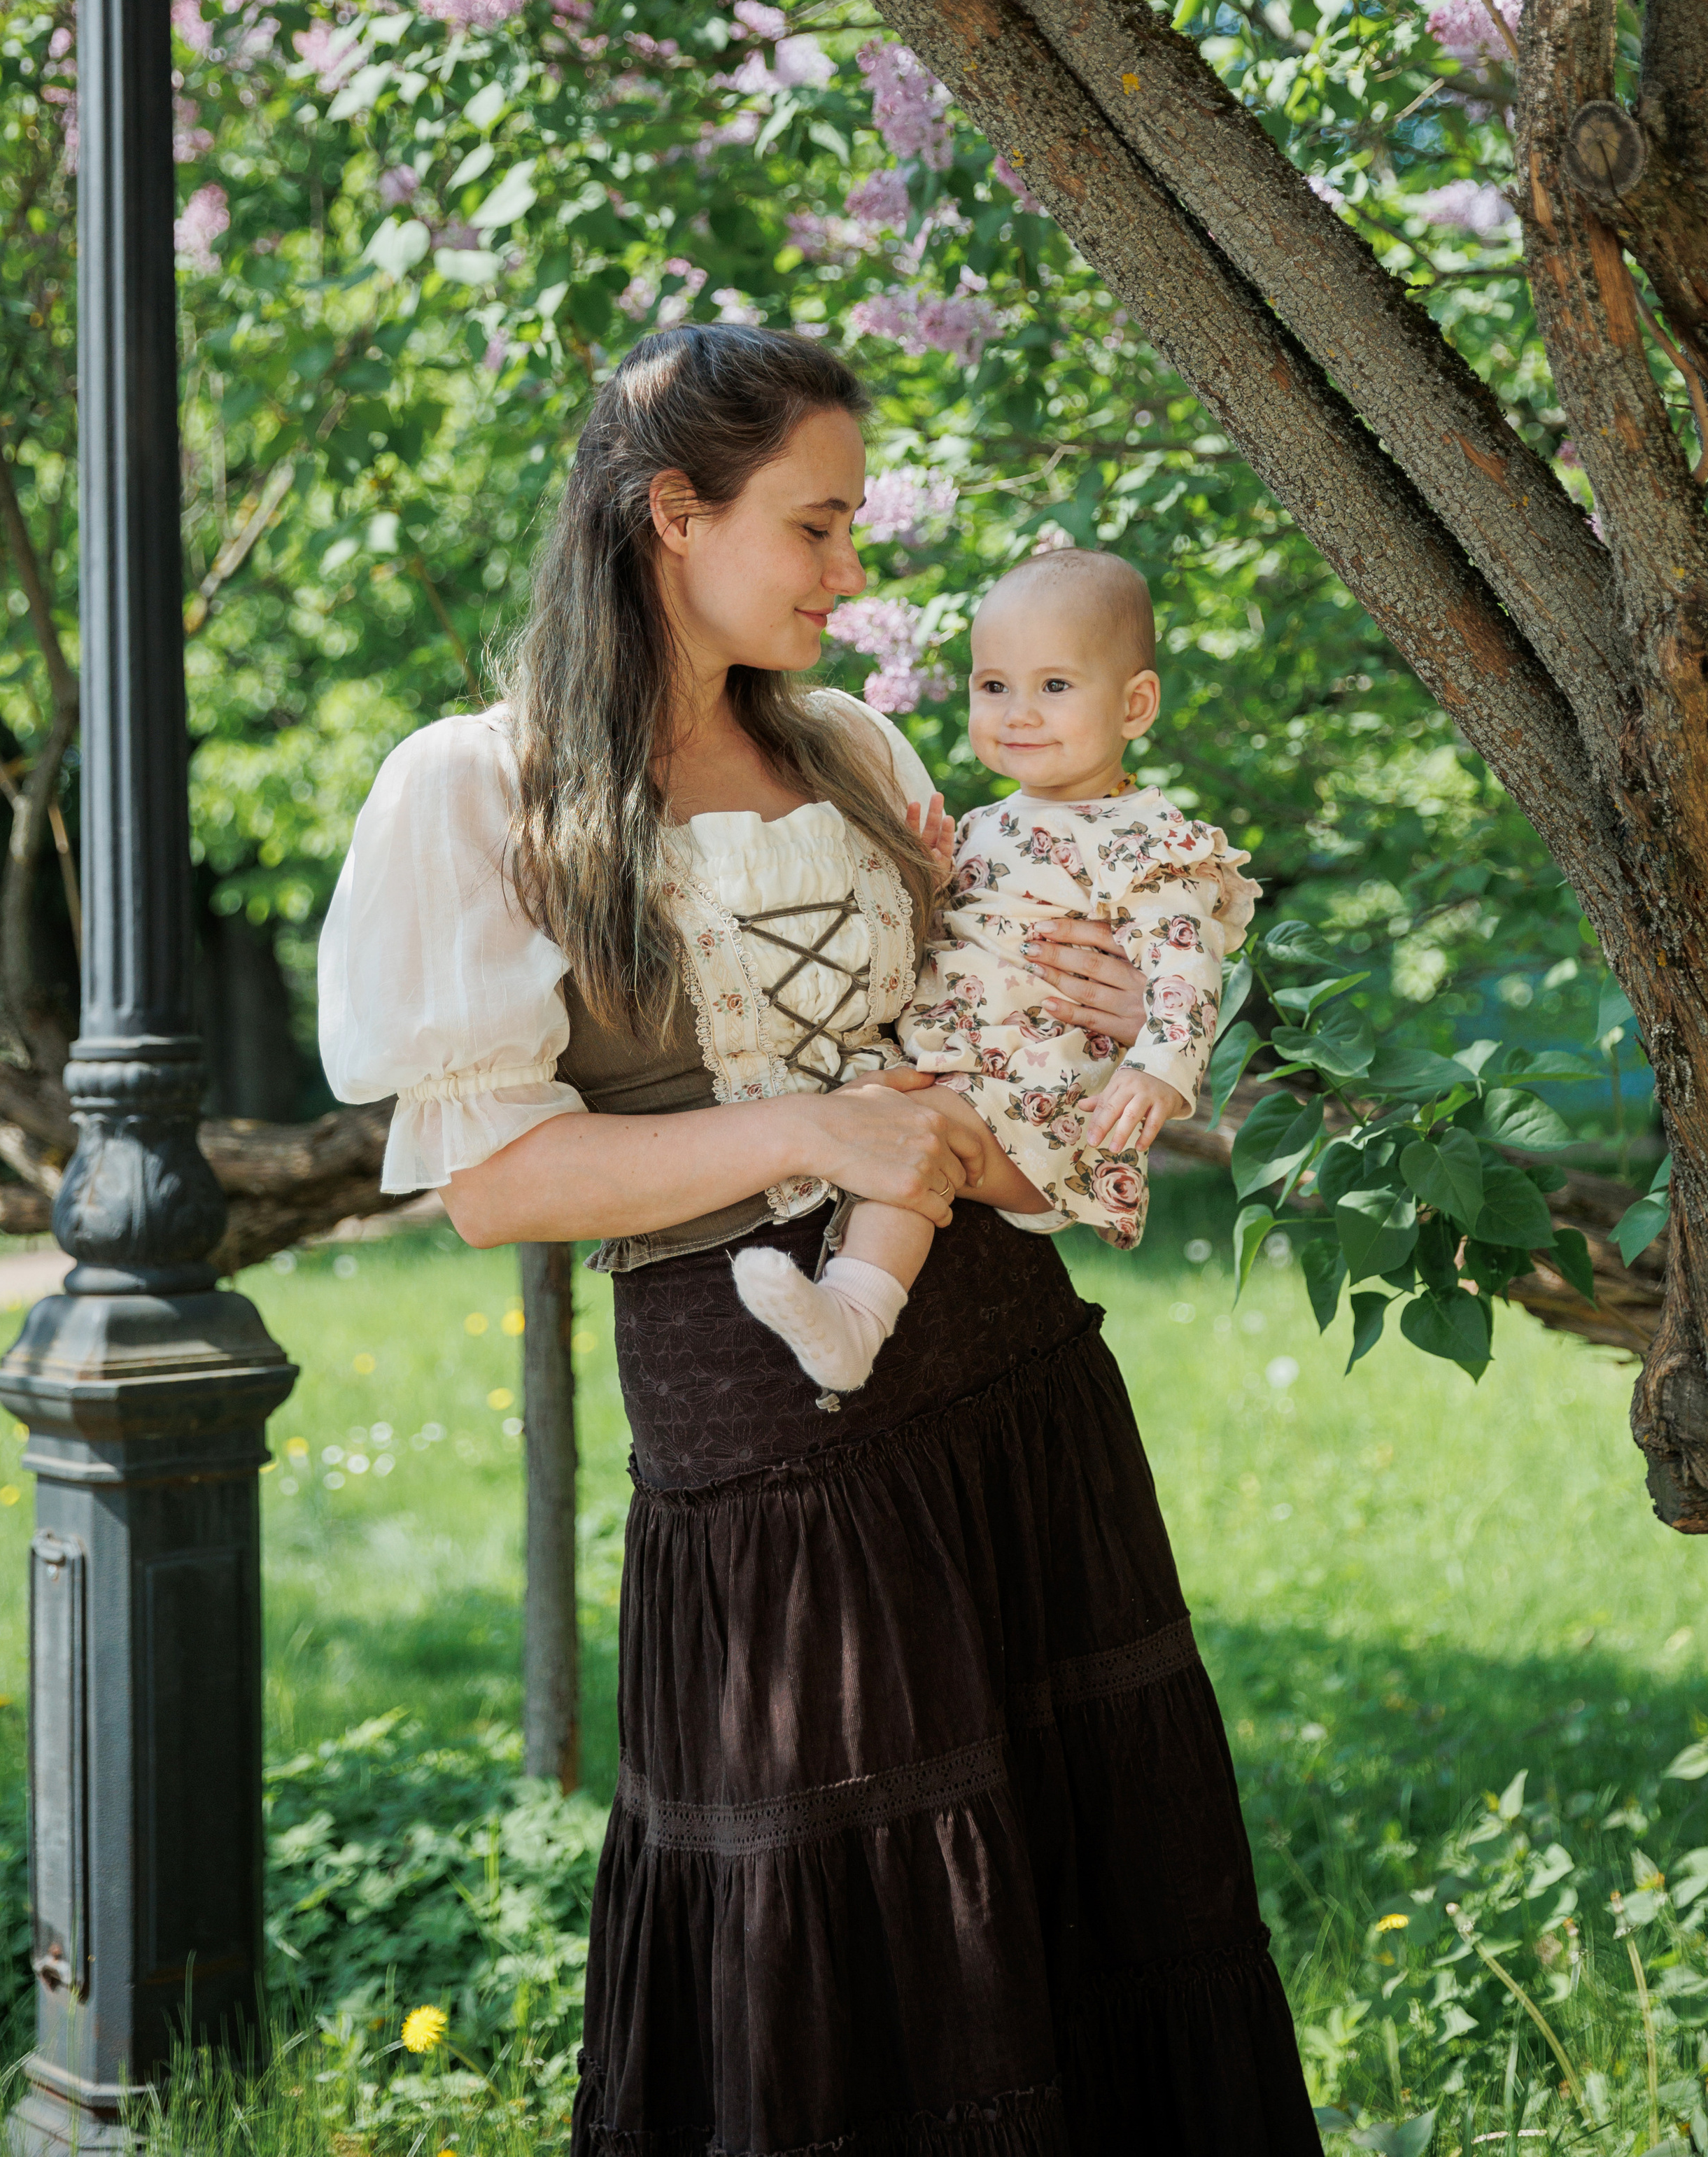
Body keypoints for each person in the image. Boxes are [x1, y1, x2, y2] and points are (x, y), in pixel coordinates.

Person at [318, 324, 1320, 2155]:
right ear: (670, 517)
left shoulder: (852, 749)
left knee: (1084, 1893)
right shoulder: (485, 790)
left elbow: (976, 1067)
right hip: (765, 1433)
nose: (855, 576)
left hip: (1007, 1371)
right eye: (819, 524)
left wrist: (1102, 1011)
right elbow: (493, 1188)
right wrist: (803, 1130)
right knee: (849, 1939)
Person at [733, 548, 1257, 1396]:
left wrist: (1164, 1068)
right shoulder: (982, 825)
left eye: (1054, 687)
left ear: (1135, 704)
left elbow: (1183, 961)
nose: (1018, 712)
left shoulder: (1144, 838)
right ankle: (844, 1311)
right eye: (993, 686)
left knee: (916, 1133)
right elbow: (960, 948)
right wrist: (932, 884)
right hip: (974, 1078)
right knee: (872, 1111)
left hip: (1049, 1112)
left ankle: (856, 1318)